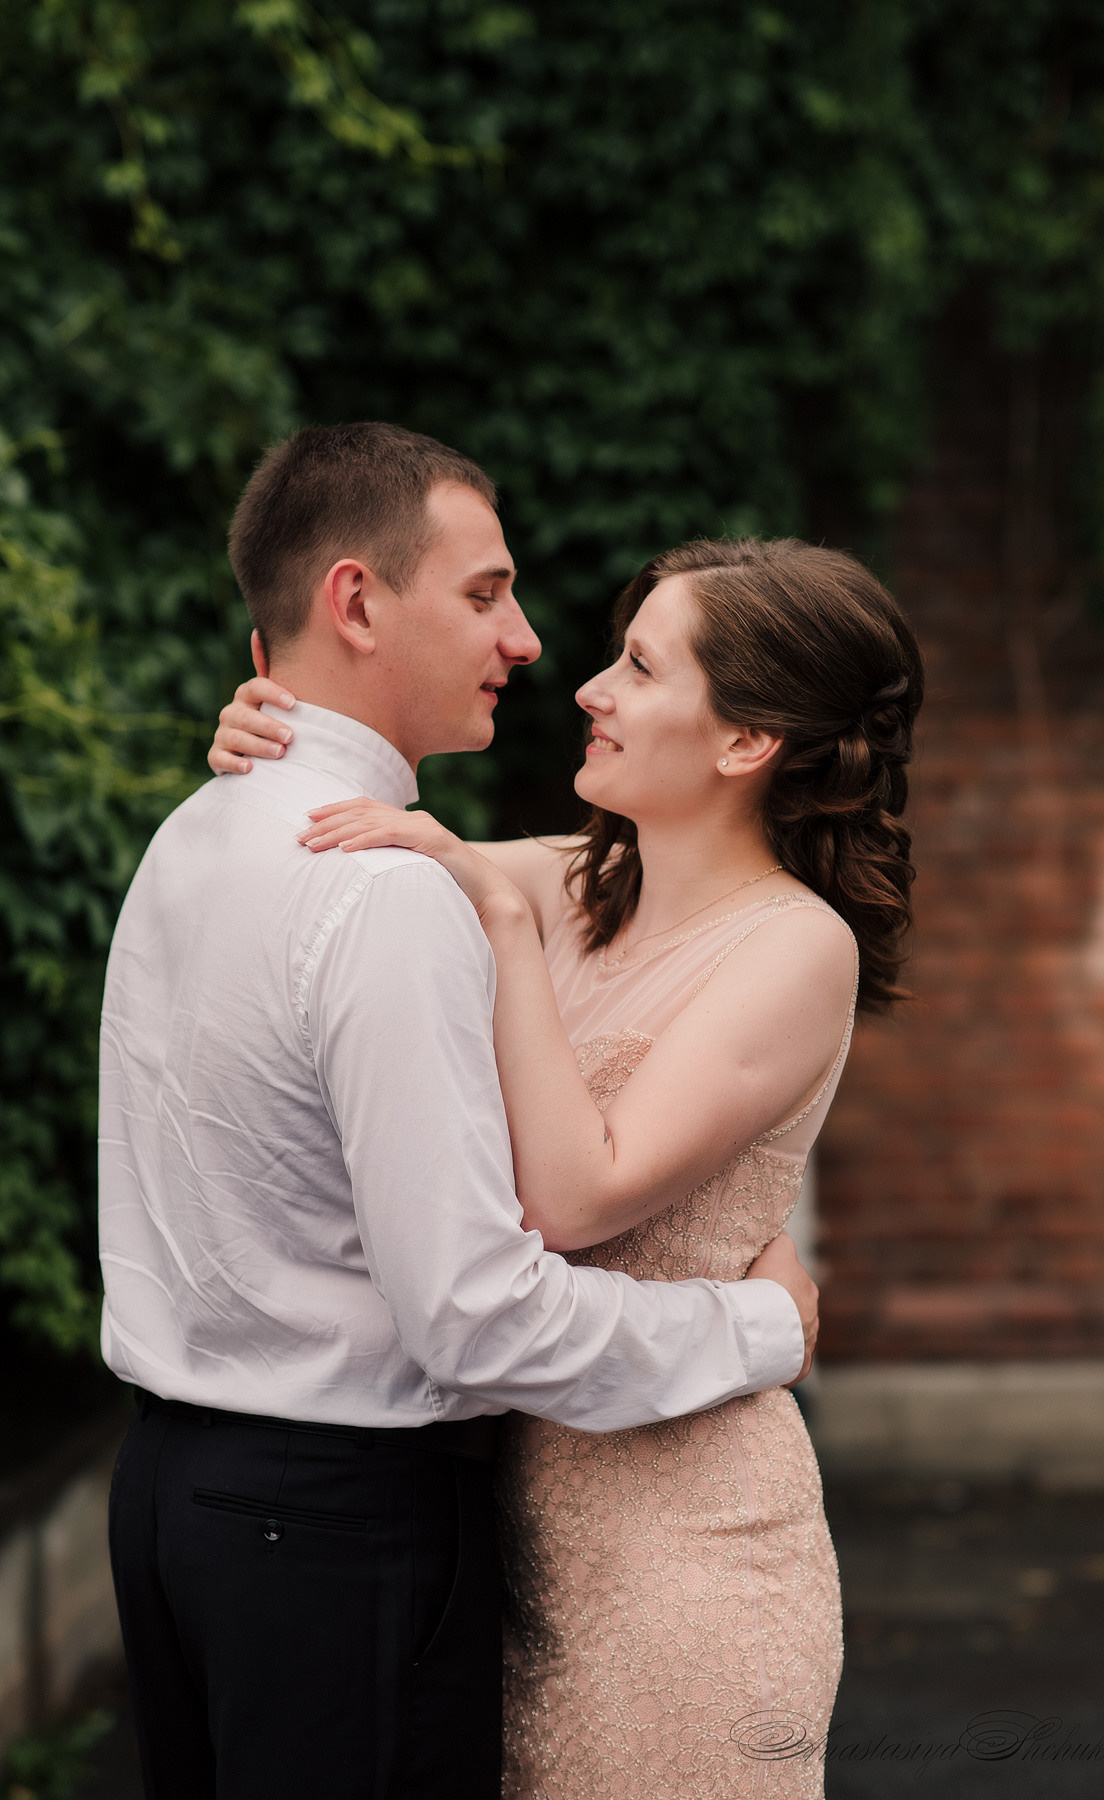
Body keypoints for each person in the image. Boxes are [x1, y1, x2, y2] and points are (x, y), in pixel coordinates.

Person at [100, 423, 820, 1800]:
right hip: (332, 1530)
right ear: (357, 602)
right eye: (486, 593)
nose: (535, 644)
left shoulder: (199, 827)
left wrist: (278, 720)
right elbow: (475, 1313)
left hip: (171, 1507)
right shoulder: (382, 894)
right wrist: (757, 1322)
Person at [210, 524, 924, 1797]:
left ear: (744, 742)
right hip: (525, 1536)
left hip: (687, 1553)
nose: (589, 690)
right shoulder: (567, 880)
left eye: (640, 669)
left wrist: (489, 910)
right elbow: (340, 843)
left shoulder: (795, 948)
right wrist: (266, 734)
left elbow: (574, 1194)